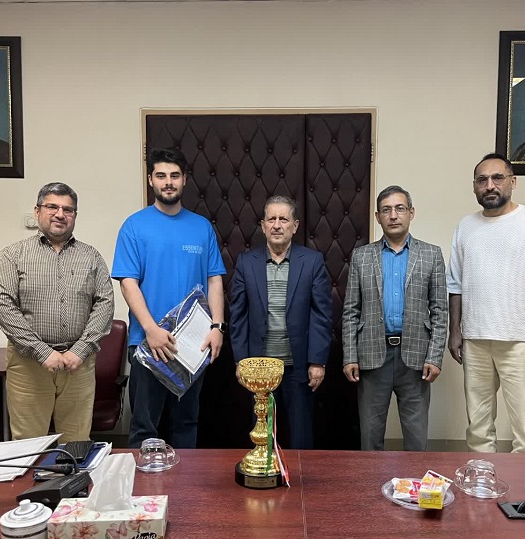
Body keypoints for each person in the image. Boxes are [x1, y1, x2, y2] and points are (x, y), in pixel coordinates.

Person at [447, 153, 525, 453]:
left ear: (513, 182)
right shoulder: (466, 226)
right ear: (474, 187)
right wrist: (455, 331)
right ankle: (481, 481)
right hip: (476, 341)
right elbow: (455, 285)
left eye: (497, 178)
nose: (489, 185)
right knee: (478, 429)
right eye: (482, 180)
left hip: (523, 343)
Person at [112, 147, 226, 449]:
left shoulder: (201, 227)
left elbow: (214, 279)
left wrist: (217, 327)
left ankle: (184, 482)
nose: (168, 182)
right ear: (151, 180)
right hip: (148, 343)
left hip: (192, 344)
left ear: (184, 179)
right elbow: (128, 283)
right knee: (145, 428)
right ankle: (144, 483)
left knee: (186, 424)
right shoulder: (134, 226)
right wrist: (151, 329)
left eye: (174, 175)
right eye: (161, 175)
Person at [0, 182, 114, 442]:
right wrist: (42, 351)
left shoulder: (91, 257)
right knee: (27, 444)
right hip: (29, 364)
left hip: (78, 364)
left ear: (75, 216)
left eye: (68, 209)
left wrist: (80, 350)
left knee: (76, 443)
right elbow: (3, 306)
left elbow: (105, 304)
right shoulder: (13, 255)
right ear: (37, 211)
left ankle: (72, 474)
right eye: (52, 207)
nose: (60, 214)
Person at [342, 186, 447, 451]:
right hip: (372, 356)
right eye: (386, 210)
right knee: (370, 437)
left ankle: (415, 481)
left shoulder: (431, 254)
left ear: (411, 212)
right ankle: (371, 479)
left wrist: (435, 357)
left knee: (416, 439)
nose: (393, 215)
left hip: (416, 358)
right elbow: (351, 311)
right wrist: (350, 356)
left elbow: (440, 311)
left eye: (400, 208)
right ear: (377, 217)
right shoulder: (362, 256)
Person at [230, 195, 332, 449]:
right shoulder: (246, 263)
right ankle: (264, 473)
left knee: (301, 439)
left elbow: (321, 314)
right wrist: (241, 361)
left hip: (298, 367)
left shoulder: (312, 261)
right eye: (271, 219)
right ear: (263, 225)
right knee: (262, 438)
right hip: (260, 368)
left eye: (283, 219)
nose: (277, 225)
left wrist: (317, 361)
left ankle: (299, 476)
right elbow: (238, 316)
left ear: (294, 226)